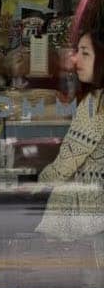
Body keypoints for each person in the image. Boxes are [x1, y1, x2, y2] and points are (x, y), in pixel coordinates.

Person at [37, 26, 104, 241]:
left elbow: (66, 164)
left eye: (86, 53)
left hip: (87, 215)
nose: (77, 60)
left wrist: (35, 183)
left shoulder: (96, 105)